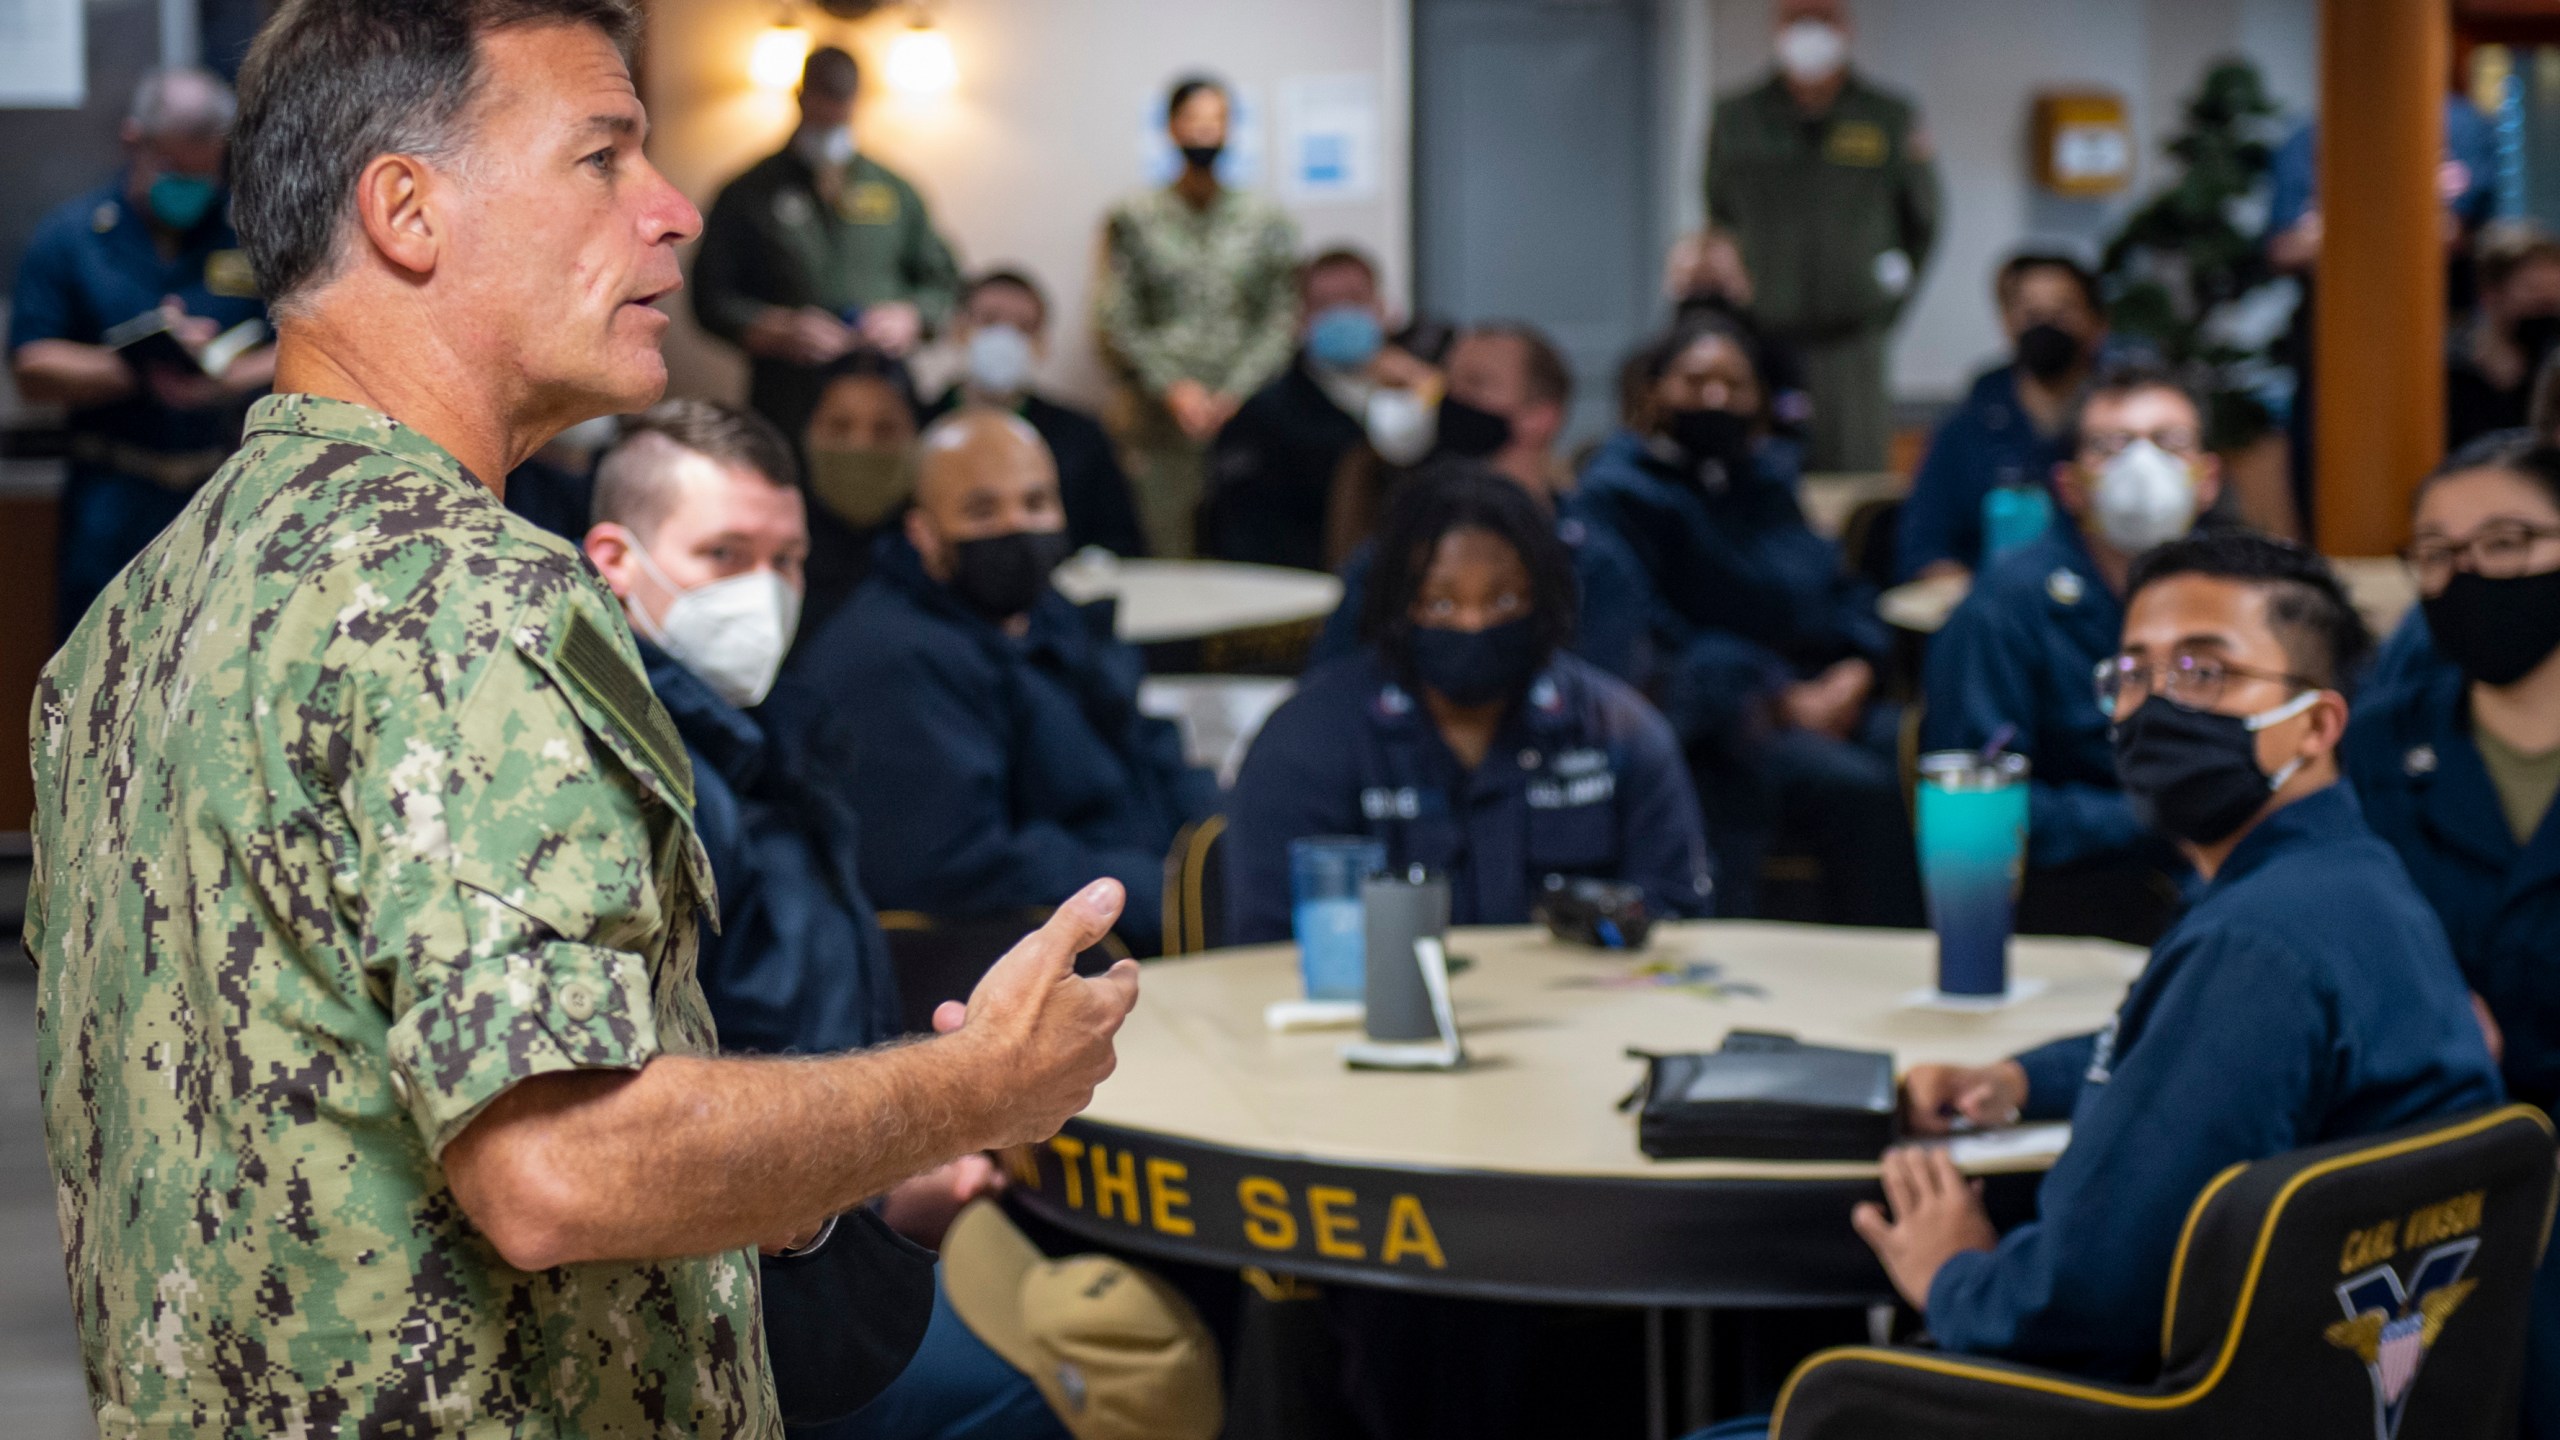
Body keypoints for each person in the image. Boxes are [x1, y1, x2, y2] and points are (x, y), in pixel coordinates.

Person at [24, 4, 1140, 1432]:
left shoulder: (136, 615)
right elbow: (559, 1167)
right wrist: (971, 1086)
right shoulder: (470, 593)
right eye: (602, 158)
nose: (671, 214)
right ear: (407, 212)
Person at [1865, 534, 2501, 1386]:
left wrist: (1956, 1276)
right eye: (2132, 673)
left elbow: (2083, 1304)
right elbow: (2205, 1057)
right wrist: (2023, 1080)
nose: (2154, 704)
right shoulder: (2343, 883)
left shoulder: (2257, 944)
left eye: (2204, 671)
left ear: (2315, 723)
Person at [581, 401, 1085, 1440]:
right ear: (614, 562)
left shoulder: (774, 738)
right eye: (723, 553)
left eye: (788, 560)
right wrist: (891, 1171)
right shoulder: (639, 777)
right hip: (746, 1259)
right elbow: (654, 1107)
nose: (761, 593)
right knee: (1054, 1388)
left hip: (854, 1184)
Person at [772, 407, 1218, 956]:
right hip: (1060, 951)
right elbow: (953, 863)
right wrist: (1157, 890)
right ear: (924, 532)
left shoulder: (1047, 614)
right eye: (981, 511)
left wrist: (1217, 847)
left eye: (1036, 504)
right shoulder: (889, 659)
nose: (1017, 529)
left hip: (1154, 901)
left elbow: (1144, 744)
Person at [1230, 468, 1711, 942]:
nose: (1473, 624)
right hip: (1374, 1016)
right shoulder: (1306, 742)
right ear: (1397, 605)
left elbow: (1679, 924)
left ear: (1543, 600)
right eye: (1440, 603)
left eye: (1503, 600)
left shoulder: (1619, 731)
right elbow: (1266, 950)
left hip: (1585, 1011)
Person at [2342, 436, 2560, 1440]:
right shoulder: (2376, 746)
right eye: (2435, 551)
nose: (2466, 573)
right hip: (2427, 1171)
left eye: (2506, 542)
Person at [1576, 314, 1917, 925]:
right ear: (1654, 390)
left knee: (1941, 748)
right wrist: (1780, 697)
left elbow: (1836, 587)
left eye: (1735, 385)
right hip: (1716, 720)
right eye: (1696, 380)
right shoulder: (1618, 494)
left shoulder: (1765, 483)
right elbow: (1648, 634)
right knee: (1864, 792)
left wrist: (1856, 668)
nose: (1716, 399)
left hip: (1824, 694)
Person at [1920, 362, 2219, 944]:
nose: (2143, 467)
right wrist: (2150, 817)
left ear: (2207, 479)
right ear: (2069, 485)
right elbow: (1980, 806)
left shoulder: (2246, 600)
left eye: (2168, 443)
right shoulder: (2003, 609)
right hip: (2080, 906)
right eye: (2111, 446)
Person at [9, 66, 276, 638]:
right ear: (136, 140)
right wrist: (138, 368)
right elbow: (31, 366)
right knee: (94, 678)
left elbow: (305, 337)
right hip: (112, 495)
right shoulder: (74, 234)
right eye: (175, 170)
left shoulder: (246, 232)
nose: (191, 188)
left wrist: (228, 380)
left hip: (220, 488)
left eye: (204, 173)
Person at [1314, 325, 1654, 683]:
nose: (1452, 399)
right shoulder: (1393, 550)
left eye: (1476, 384)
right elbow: (1330, 689)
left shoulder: (1594, 566)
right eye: (1449, 381)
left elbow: (1609, 709)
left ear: (1541, 417)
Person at [1704, 0, 1940, 473]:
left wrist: (1883, 304)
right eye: (1797, 18)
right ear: (1776, 26)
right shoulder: (1736, 117)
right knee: (1762, 475)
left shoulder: (1887, 116)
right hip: (1765, 334)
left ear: (1847, 28)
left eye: (1824, 18)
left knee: (1856, 480)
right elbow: (1720, 216)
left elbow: (1923, 223)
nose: (1810, 32)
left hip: (1852, 342)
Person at [692, 46, 961, 444]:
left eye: (843, 101)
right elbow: (710, 297)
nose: (834, 113)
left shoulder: (893, 190)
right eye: (824, 99)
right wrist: (776, 328)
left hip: (881, 392)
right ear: (801, 96)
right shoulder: (748, 192)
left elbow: (944, 281)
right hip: (787, 396)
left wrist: (912, 316)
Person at [1096, 74, 1301, 557]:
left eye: (1219, 121)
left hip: (1249, 419)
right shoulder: (1133, 217)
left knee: (1252, 554)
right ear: (1170, 128)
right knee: (1167, 557)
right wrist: (1173, 388)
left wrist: (1236, 391)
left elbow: (1280, 317)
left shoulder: (1266, 219)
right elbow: (1115, 319)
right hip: (1160, 424)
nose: (1206, 133)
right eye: (1194, 120)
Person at [1896, 252, 2112, 582]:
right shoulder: (1965, 428)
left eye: (2062, 310)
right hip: (1989, 606)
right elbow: (1925, 545)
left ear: (2096, 323)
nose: (2044, 323)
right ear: (2007, 321)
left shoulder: (2121, 427)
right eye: (2029, 311)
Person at [1202, 247, 1420, 570]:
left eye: (1354, 299)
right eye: (1325, 305)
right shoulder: (1262, 418)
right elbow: (1243, 535)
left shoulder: (1417, 393)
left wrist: (1425, 390)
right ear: (1301, 319)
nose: (1342, 314)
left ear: (1381, 307)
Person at [924, 268, 1148, 558]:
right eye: (989, 320)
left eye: (1024, 327)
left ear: (1041, 344)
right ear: (959, 329)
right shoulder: (917, 426)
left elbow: (1121, 537)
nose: (1004, 337)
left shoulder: (1081, 436)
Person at [799, 348, 924, 640]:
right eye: (839, 427)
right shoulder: (772, 558)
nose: (861, 446)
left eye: (884, 430)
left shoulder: (942, 564)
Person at [2448, 224, 2560, 452]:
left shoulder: (2552, 363)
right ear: (2490, 295)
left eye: (2556, 292)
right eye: (2535, 291)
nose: (2550, 306)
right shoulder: (2448, 368)